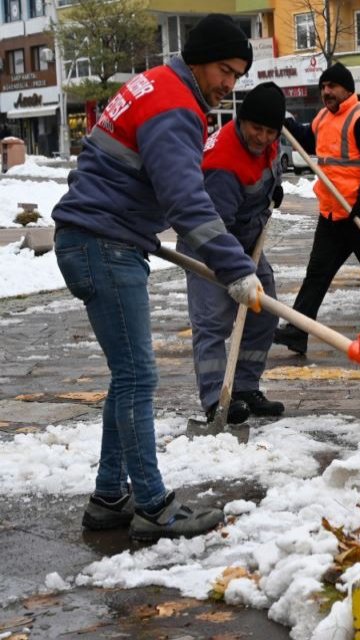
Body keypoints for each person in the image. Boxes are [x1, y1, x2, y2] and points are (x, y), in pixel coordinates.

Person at [51, 13, 258, 540]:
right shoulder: (173, 105)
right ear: (200, 60)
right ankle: (153, 505)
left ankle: (108, 498)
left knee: (128, 377)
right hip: (105, 246)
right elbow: (186, 201)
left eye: (237, 75)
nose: (229, 84)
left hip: (97, 239)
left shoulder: (152, 87)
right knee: (139, 377)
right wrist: (236, 267)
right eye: (224, 70)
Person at [273, 63, 360, 355]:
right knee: (317, 273)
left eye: (332, 86)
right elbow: (309, 140)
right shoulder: (323, 117)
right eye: (323, 87)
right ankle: (298, 331)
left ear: (347, 89)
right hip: (332, 215)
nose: (326, 92)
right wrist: (286, 122)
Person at [182, 82, 288, 425]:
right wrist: (235, 273)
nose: (262, 137)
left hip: (245, 240)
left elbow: (262, 173)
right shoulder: (223, 163)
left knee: (264, 311)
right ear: (241, 121)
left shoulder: (269, 143)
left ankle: (244, 387)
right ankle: (216, 398)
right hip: (209, 245)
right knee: (213, 322)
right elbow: (215, 228)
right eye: (256, 129)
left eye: (270, 131)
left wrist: (274, 190)